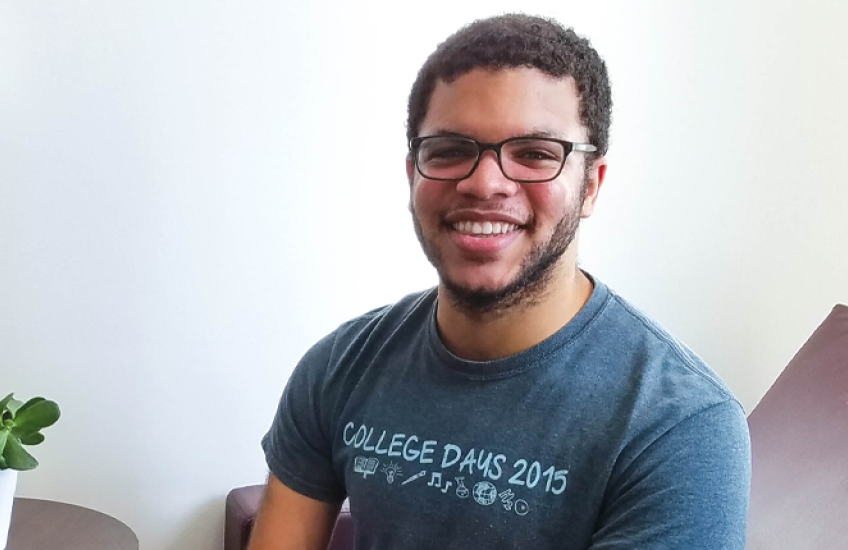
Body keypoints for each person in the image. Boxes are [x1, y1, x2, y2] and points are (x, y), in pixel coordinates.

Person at [249, 13, 751, 550]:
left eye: (535, 154)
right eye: (449, 150)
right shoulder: (339, 368)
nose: (485, 183)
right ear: (412, 174)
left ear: (590, 186)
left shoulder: (679, 429)